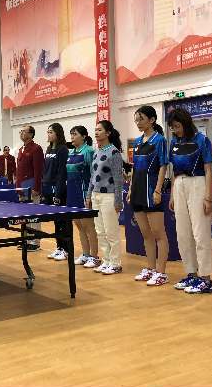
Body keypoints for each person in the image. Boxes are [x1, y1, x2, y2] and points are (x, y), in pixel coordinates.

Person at [167, 108, 212, 294]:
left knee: (200, 233)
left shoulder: (202, 140)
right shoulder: (174, 143)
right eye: (173, 127)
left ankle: (206, 279)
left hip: (198, 183)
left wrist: (208, 198)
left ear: (186, 123)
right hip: (179, 184)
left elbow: (209, 169)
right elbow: (173, 170)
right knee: (183, 234)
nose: (176, 130)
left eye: (178, 126)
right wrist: (172, 195)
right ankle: (191, 273)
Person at [126, 106, 169, 286]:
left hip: (151, 191)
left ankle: (162, 273)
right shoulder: (137, 142)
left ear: (152, 120)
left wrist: (158, 190)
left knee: (159, 233)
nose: (138, 123)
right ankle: (150, 269)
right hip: (137, 191)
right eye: (136, 120)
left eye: (141, 119)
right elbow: (134, 168)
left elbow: (163, 166)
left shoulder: (159, 140)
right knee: (146, 233)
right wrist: (130, 189)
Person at [86, 120, 124, 275]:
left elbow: (118, 179)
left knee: (111, 232)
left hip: (109, 196)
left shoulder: (114, 153)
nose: (96, 132)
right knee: (100, 231)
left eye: (99, 130)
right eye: (95, 130)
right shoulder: (97, 152)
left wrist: (118, 200)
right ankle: (106, 260)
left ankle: (115, 263)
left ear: (108, 133)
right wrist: (89, 195)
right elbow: (92, 176)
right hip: (96, 196)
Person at [66, 126, 100, 268]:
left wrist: (89, 195)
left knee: (88, 226)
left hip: (84, 193)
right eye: (71, 134)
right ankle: (86, 254)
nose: (72, 137)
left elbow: (94, 174)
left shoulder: (89, 151)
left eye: (75, 134)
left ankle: (95, 256)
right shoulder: (71, 152)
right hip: (72, 193)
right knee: (79, 225)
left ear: (84, 136)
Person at [42, 124, 70, 260]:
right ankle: (59, 248)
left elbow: (62, 173)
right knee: (55, 221)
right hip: (47, 188)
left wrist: (58, 193)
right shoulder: (48, 150)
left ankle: (66, 249)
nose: (48, 134)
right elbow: (45, 170)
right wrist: (43, 190)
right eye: (48, 132)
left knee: (62, 221)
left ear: (58, 133)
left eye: (51, 132)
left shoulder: (63, 149)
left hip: (57, 189)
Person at [15, 125, 44, 251]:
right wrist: (17, 187)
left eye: (24, 131)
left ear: (31, 134)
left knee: (33, 215)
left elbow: (38, 170)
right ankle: (26, 240)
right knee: (24, 216)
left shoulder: (36, 148)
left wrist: (36, 188)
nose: (21, 133)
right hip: (21, 188)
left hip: (31, 187)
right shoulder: (21, 149)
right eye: (20, 131)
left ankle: (35, 242)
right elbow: (19, 171)